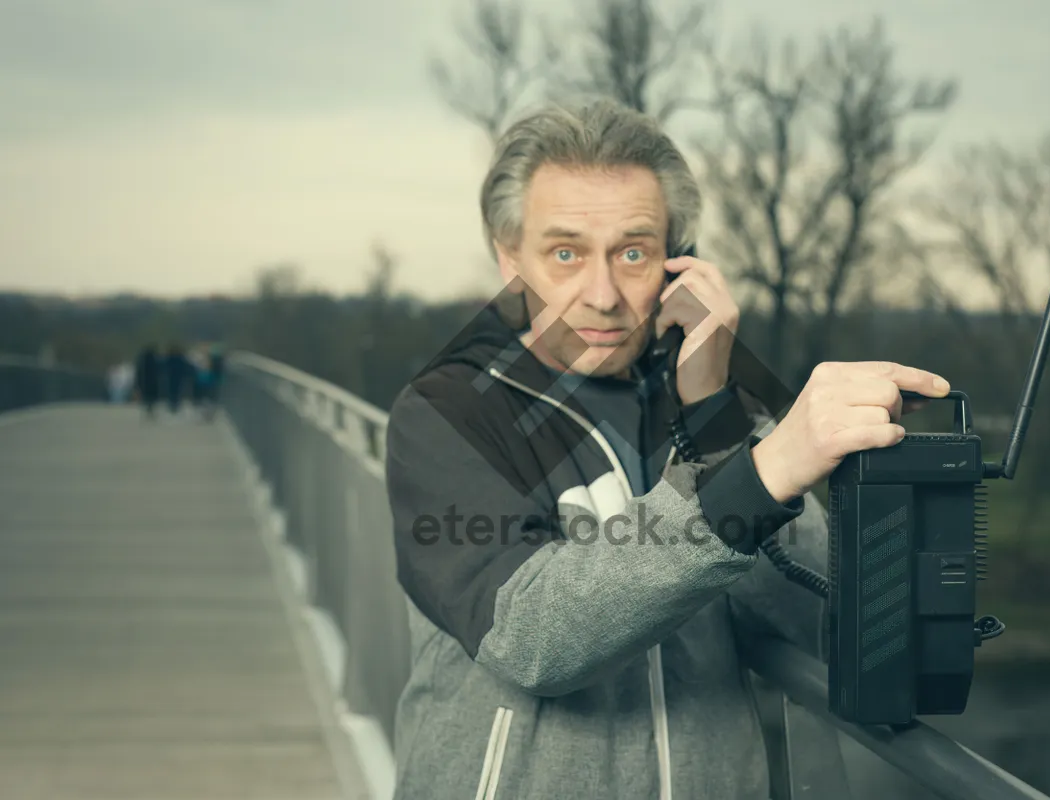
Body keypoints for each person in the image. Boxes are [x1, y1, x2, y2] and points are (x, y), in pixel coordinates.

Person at [383, 99, 949, 800]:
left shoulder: (712, 408)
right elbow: (530, 640)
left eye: (632, 252)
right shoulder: (445, 414)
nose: (602, 294)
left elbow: (810, 625)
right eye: (565, 253)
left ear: (677, 264)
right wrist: (761, 476)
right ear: (510, 258)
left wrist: (716, 422)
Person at [134, 344, 161, 418]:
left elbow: (138, 374)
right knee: (152, 399)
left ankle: (148, 410)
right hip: (153, 383)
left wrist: (137, 385)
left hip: (145, 383)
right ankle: (151, 410)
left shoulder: (142, 362)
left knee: (146, 398)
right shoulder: (156, 361)